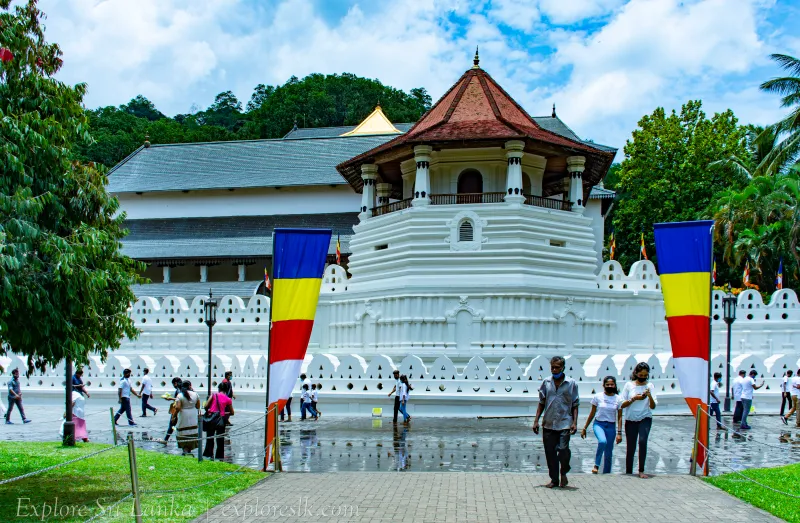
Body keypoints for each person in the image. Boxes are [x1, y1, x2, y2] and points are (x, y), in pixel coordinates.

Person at [532, 356, 579, 489]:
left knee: (563, 450)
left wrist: (575, 422)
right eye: (552, 367)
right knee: (550, 453)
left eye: (557, 367)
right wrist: (536, 421)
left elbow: (575, 404)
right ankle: (554, 479)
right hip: (549, 422)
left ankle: (564, 470)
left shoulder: (571, 383)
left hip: (565, 422)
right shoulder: (547, 382)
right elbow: (541, 402)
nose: (554, 369)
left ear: (563, 367)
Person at [621, 362, 657, 478]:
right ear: (636, 373)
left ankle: (641, 470)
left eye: (645, 375)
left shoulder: (650, 386)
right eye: (640, 375)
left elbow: (653, 406)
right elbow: (622, 404)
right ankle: (629, 470)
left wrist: (649, 396)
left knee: (642, 441)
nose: (642, 377)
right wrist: (634, 398)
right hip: (631, 419)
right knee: (631, 446)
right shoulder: (629, 385)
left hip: (645, 417)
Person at [580, 376, 622, 474]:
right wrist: (585, 427)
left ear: (615, 385)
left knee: (608, 452)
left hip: (611, 426)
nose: (610, 386)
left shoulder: (618, 399)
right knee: (602, 441)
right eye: (607, 384)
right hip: (599, 424)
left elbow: (620, 416)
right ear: (603, 385)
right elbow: (592, 413)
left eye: (612, 384)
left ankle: (607, 473)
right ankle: (596, 464)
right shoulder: (598, 397)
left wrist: (619, 433)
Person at [203, 382, 234, 460]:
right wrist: (223, 412)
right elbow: (232, 412)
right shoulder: (228, 399)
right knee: (220, 439)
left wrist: (209, 410)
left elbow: (206, 406)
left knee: (210, 437)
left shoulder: (214, 395)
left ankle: (209, 454)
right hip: (221, 419)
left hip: (212, 418)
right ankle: (219, 456)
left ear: (219, 389)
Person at [173, 380, 200, 455]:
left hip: (183, 414)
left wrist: (174, 416)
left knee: (183, 430)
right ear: (190, 386)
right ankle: (189, 448)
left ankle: (185, 448)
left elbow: (178, 408)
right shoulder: (195, 394)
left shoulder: (180, 395)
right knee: (192, 430)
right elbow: (198, 406)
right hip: (193, 414)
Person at [161, 377, 182, 443]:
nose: (174, 386)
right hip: (179, 409)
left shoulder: (180, 389)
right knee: (173, 425)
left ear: (175, 383)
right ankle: (166, 439)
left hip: (178, 409)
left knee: (172, 424)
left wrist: (170, 399)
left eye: (173, 384)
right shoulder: (180, 389)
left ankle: (166, 439)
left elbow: (180, 399)